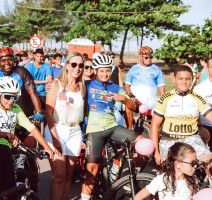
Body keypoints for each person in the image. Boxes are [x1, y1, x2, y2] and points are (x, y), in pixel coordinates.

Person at [81, 53, 145, 200]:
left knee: (144, 143)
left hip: (112, 127)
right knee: (91, 169)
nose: (105, 73)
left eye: (108, 70)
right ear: (95, 71)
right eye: (101, 70)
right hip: (94, 131)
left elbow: (133, 106)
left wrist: (124, 98)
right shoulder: (87, 85)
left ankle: (131, 178)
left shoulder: (115, 87)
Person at [152, 65, 212, 170]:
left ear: (192, 80)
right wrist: (156, 152)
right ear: (174, 79)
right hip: (169, 140)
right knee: (172, 175)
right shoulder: (165, 98)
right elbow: (154, 126)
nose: (184, 82)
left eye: (187, 79)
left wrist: (201, 126)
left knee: (209, 163)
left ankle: (203, 184)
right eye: (180, 79)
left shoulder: (198, 98)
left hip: (192, 139)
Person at [46, 52, 85, 200]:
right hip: (57, 128)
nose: (77, 68)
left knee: (69, 175)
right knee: (59, 175)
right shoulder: (56, 84)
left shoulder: (82, 87)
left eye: (80, 65)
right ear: (67, 65)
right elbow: (48, 112)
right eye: (74, 64)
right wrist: (55, 139)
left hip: (75, 131)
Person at [0, 47, 44, 130]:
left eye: (10, 59)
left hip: (24, 116)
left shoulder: (22, 71)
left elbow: (33, 93)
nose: (7, 63)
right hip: (4, 119)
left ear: (14, 60)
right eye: (3, 60)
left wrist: (39, 112)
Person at [134, 142, 198, 200]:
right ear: (177, 164)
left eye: (196, 162)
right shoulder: (162, 180)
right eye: (192, 163)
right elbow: (138, 197)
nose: (195, 166)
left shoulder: (193, 181)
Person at [124, 46, 165, 129]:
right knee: (128, 108)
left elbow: (161, 87)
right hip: (136, 99)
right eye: (146, 57)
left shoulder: (157, 69)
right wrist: (130, 94)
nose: (148, 59)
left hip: (151, 101)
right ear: (141, 57)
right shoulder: (133, 69)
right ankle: (129, 130)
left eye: (150, 57)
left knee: (153, 123)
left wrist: (163, 100)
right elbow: (127, 84)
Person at [194, 58, 212, 151]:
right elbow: (195, 110)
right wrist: (200, 127)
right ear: (207, 69)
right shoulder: (199, 89)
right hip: (206, 127)